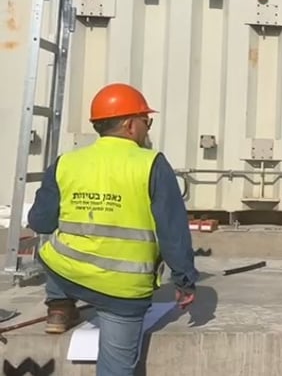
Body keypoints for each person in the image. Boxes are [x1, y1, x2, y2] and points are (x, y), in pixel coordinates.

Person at [27, 82, 200, 375]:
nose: (148, 129)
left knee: (51, 256)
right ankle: (62, 305)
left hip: (67, 275)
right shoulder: (151, 164)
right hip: (121, 291)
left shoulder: (66, 162)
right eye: (148, 122)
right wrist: (184, 280)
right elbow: (173, 231)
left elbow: (40, 222)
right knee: (116, 368)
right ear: (131, 125)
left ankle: (58, 307)